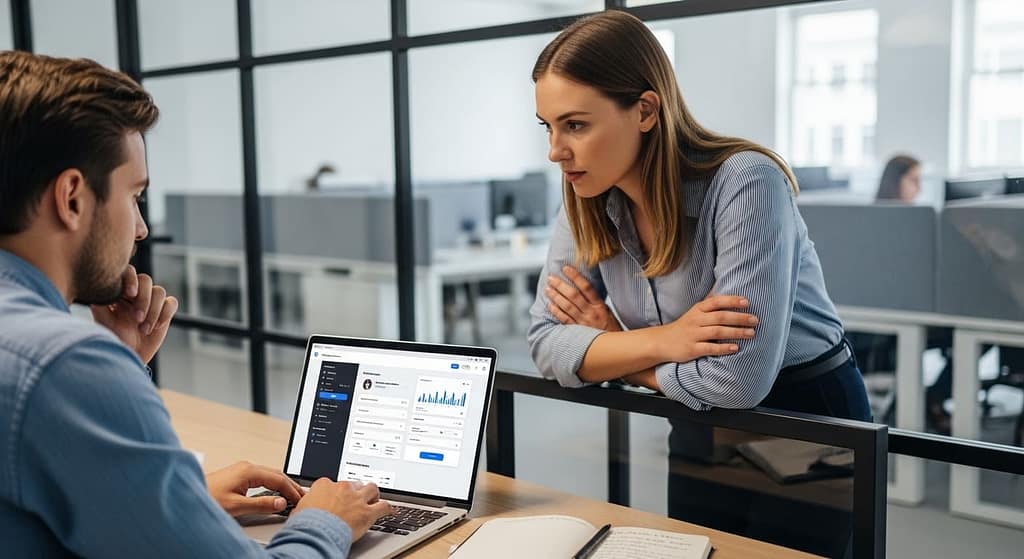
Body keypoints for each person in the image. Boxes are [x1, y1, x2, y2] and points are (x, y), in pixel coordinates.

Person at [0, 51, 391, 557]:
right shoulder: (64, 367)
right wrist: (323, 521)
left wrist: (184, 503)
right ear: (72, 197)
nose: (140, 229)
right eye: (134, 196)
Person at [526, 11, 871, 556]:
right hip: (695, 420)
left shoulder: (744, 182)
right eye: (547, 126)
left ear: (644, 110)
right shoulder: (584, 199)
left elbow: (738, 380)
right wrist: (667, 341)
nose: (555, 151)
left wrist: (613, 346)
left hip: (805, 416)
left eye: (576, 124)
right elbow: (546, 345)